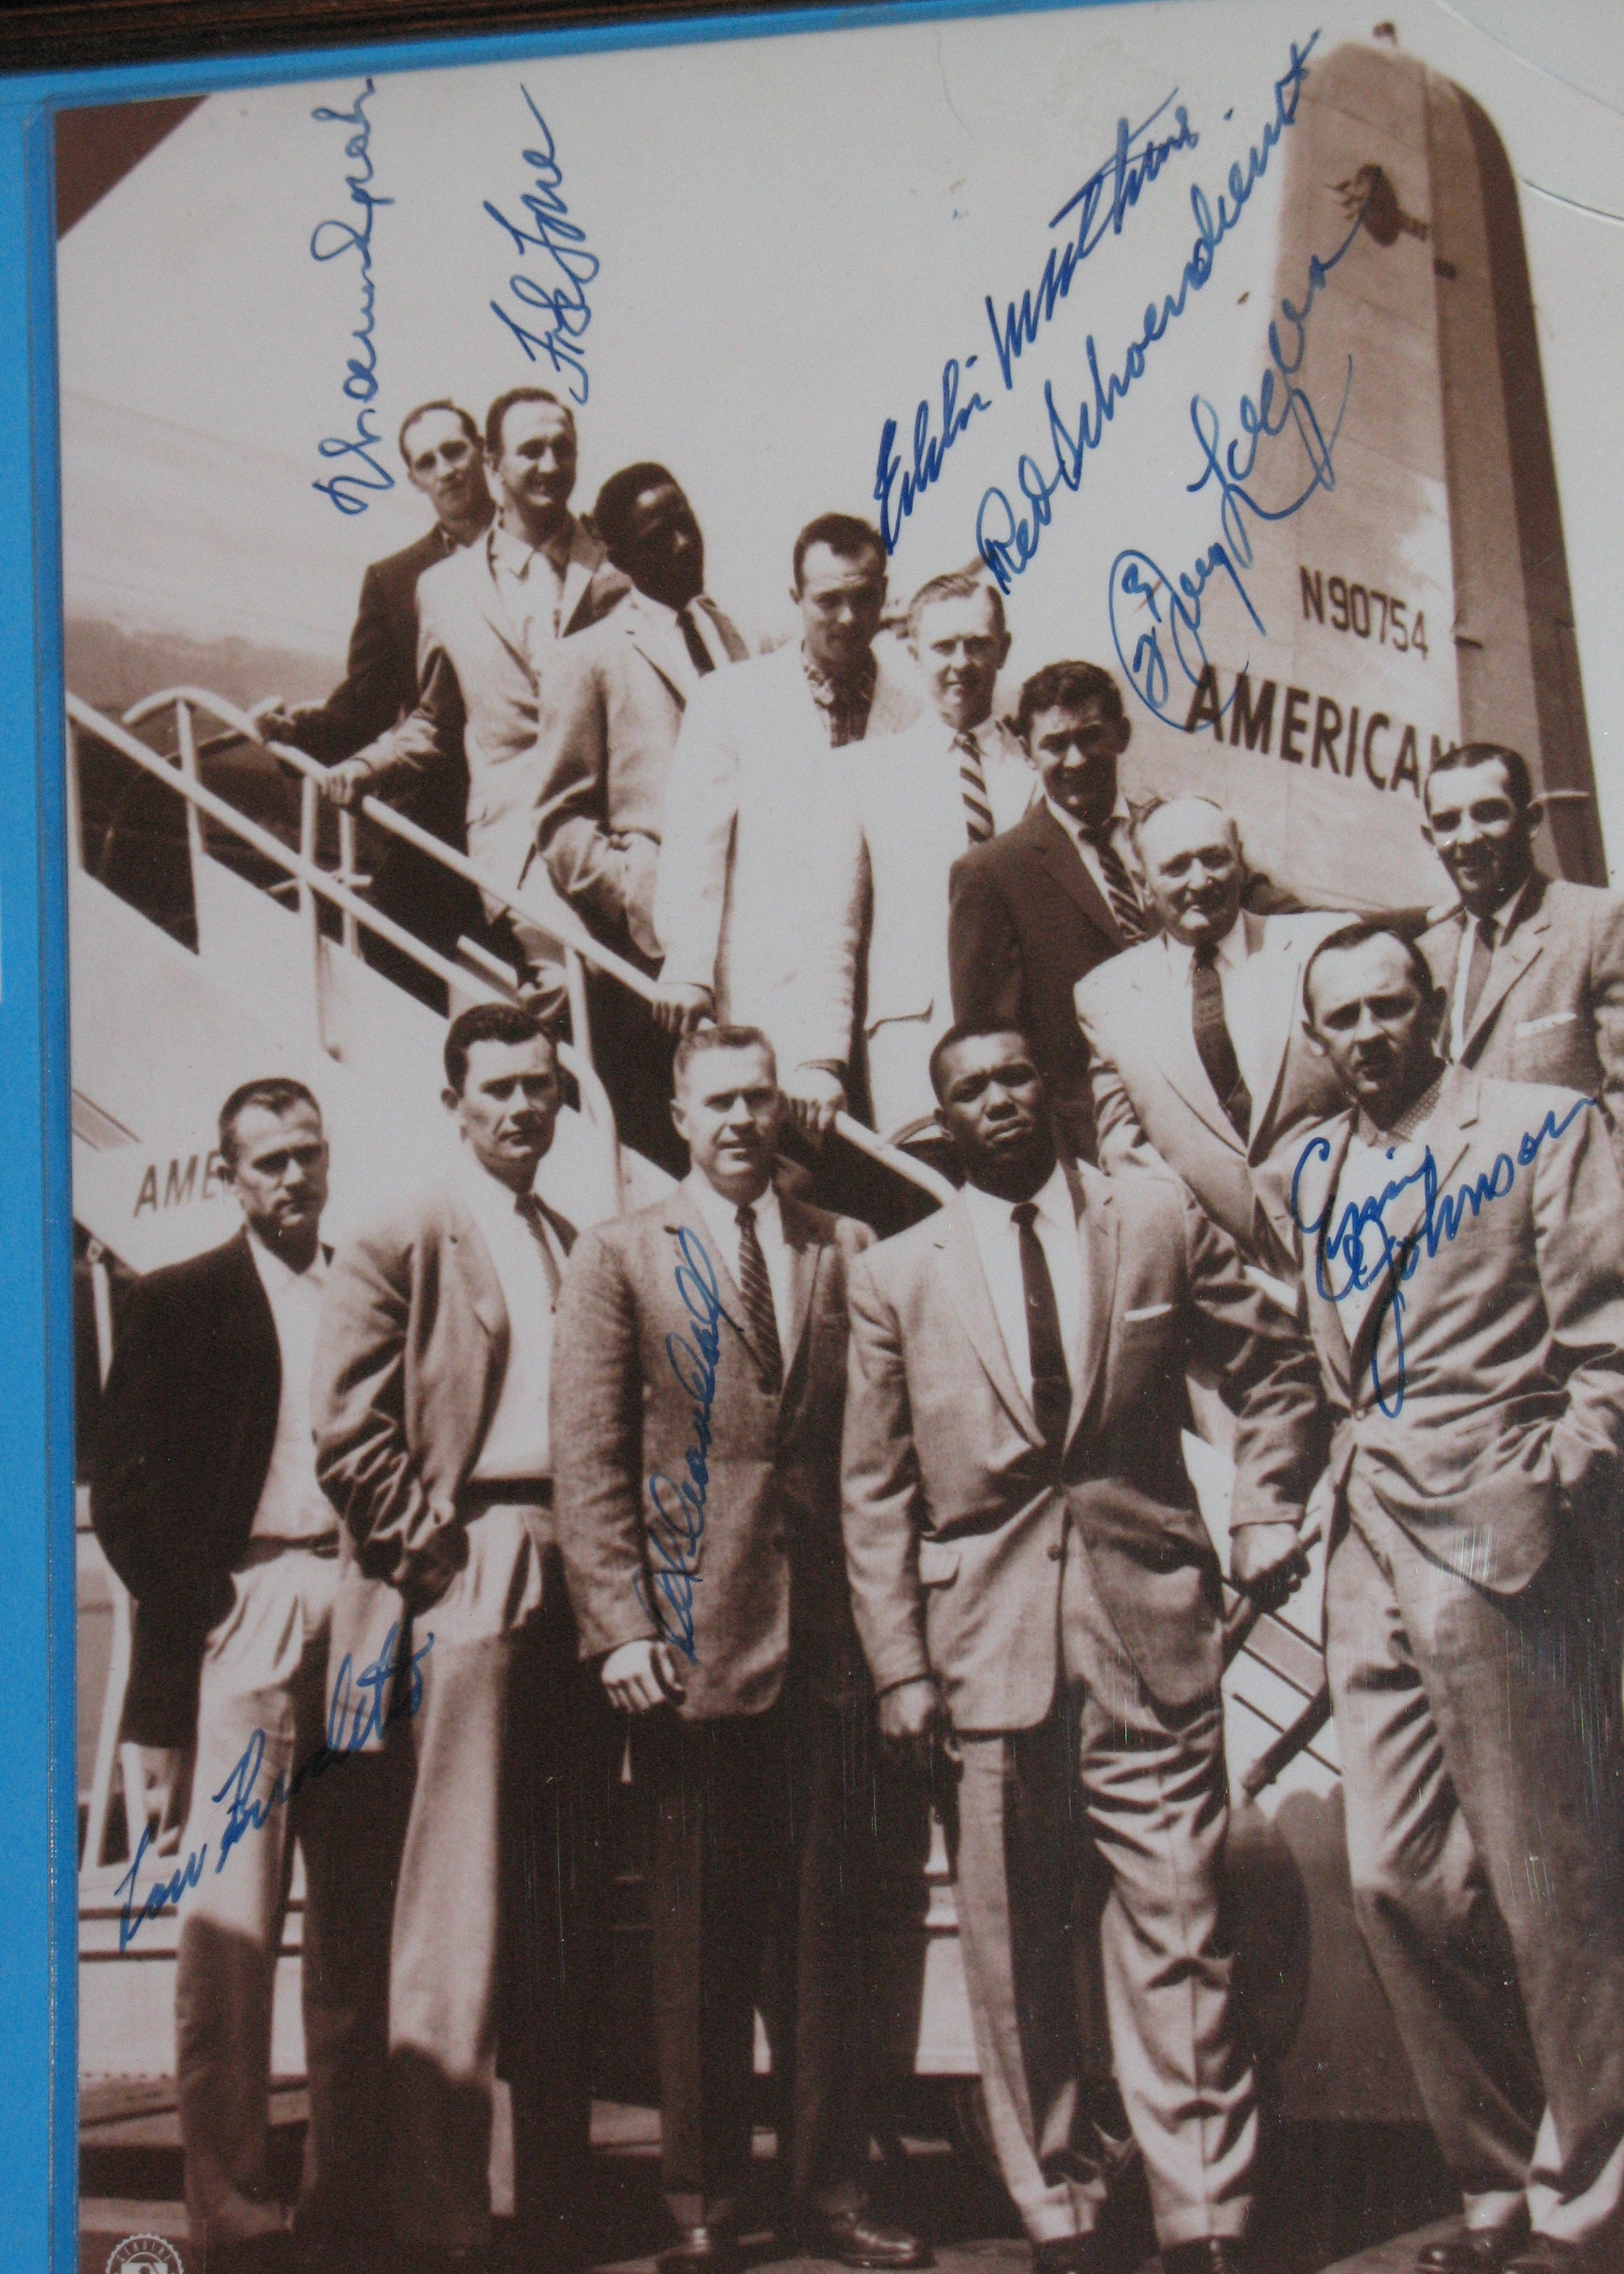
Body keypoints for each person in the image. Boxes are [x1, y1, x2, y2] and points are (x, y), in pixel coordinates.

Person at [842, 1022, 1324, 2274]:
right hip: (979, 1650)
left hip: (1148, 1627)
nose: (995, 1103)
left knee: (1180, 1923)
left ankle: (1205, 2216)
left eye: (1012, 1078)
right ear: (944, 1120)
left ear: (1049, 1093)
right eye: (967, 1092)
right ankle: (1056, 2208)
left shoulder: (1153, 1218)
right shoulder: (897, 1275)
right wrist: (898, 1666)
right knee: (1011, 1958)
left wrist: (1269, 1501)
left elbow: (1276, 1368)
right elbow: (875, 1491)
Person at [1273, 921, 1624, 2274]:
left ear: (1435, 1009)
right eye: (1343, 1017)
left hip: (1503, 1532)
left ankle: (1586, 2205)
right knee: (1396, 1880)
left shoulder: (1540, 1126)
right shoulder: (1309, 1168)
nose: (1370, 1033)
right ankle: (1494, 2171)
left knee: (1554, 1882)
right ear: (1316, 1040)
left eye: (1391, 1006)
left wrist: (1550, 1485)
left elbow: (1610, 1344)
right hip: (1366, 1535)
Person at [552, 1025, 927, 2274]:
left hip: (826, 1643)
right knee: (701, 1939)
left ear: (783, 1112)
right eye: (718, 1100)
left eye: (760, 1098)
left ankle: (830, 2190)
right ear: (676, 1111)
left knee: (827, 1937)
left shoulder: (843, 1248)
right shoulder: (619, 1257)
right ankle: (703, 2205)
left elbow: (876, 1458)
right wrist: (617, 1627)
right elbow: (591, 1460)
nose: (741, 1121)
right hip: (688, 1646)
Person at [312, 1003, 601, 2274]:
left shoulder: (571, 1239)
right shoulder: (398, 1231)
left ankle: (556, 2205)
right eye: (498, 1089)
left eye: (540, 1087)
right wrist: (436, 1560)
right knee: (457, 1907)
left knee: (561, 1899)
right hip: (466, 1567)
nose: (522, 1108)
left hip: (576, 1569)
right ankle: (439, 2219)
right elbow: (348, 1433)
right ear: (455, 1101)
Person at [91, 1080, 395, 2274]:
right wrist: (214, 1603)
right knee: (229, 1932)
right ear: (230, 1175)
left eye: (307, 1155)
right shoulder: (177, 1304)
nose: (292, 1179)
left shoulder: (362, 1288)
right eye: (267, 1162)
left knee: (358, 1929)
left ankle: (348, 2200)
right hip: (249, 1612)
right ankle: (233, 2211)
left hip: (365, 1610)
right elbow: (124, 1499)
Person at [320, 388, 629, 986]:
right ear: (495, 466)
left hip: (620, 835)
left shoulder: (616, 566)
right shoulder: (442, 588)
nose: (549, 465)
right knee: (569, 988)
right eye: (531, 450)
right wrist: (365, 765)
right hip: (517, 838)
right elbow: (437, 719)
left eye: (562, 449)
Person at [651, 513, 920, 1138]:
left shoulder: (916, 704)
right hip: (766, 982)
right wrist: (688, 964)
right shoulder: (732, 699)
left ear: (884, 594)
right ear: (796, 600)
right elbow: (696, 845)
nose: (848, 619)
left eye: (863, 598)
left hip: (880, 988)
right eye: (829, 600)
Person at [535, 463, 747, 1174]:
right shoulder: (586, 657)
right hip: (647, 962)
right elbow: (560, 826)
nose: (687, 544)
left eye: (687, 520)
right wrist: (636, 891)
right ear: (620, 558)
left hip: (739, 935)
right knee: (666, 1150)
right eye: (662, 535)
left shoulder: (725, 634)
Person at [255, 401, 491, 999]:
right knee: (394, 959)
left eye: (455, 450)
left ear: (484, 452)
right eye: (427, 461)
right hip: (440, 816)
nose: (447, 470)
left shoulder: (548, 549)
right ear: (414, 479)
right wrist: (294, 731)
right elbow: (362, 710)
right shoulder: (396, 579)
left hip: (532, 811)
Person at [1075, 795, 1346, 1270]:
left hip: (1357, 1245)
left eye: (1215, 858)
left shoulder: (1322, 947)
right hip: (1226, 1284)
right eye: (1176, 867)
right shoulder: (1106, 995)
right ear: (1141, 884)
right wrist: (1219, 1267)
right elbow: (1128, 1155)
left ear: (1240, 861)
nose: (1200, 881)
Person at [825, 568, 1037, 1141]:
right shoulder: (866, 772)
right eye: (944, 646)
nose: (960, 663)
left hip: (1024, 1044)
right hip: (914, 1043)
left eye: (978, 645)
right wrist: (820, 1059)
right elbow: (835, 931)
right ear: (914, 651)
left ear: (1004, 651)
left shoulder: (1035, 774)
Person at [948, 663, 1152, 1164]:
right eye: (1055, 744)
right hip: (1089, 1145)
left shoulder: (1173, 833)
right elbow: (991, 1049)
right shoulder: (992, 872)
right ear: (1026, 750)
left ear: (1122, 735)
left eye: (1091, 737)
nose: (1076, 759)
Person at [1416, 741, 1624, 1173]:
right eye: (1447, 822)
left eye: (1489, 813)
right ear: (1429, 838)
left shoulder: (1595, 923)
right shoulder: (1426, 955)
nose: (1468, 838)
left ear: (1531, 821)